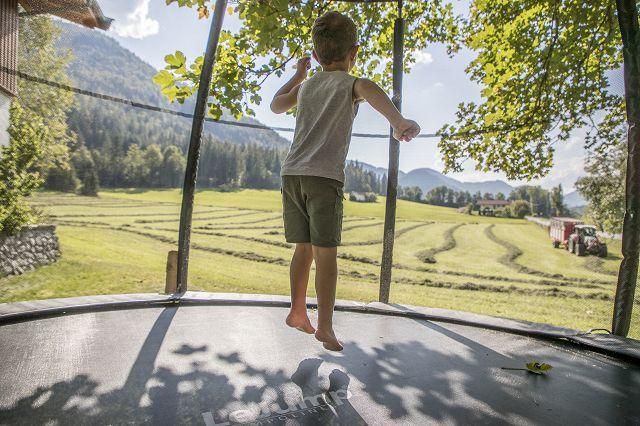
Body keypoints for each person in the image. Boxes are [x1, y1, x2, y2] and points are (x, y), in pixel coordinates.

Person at [270, 11, 421, 351]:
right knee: (326, 254)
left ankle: (297, 310)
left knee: (303, 248)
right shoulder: (351, 83)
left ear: (316, 54)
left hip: (292, 174)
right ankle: (324, 326)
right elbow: (372, 90)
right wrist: (398, 122)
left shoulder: (306, 86)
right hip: (323, 178)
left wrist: (297, 74)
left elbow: (277, 105)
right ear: (354, 53)